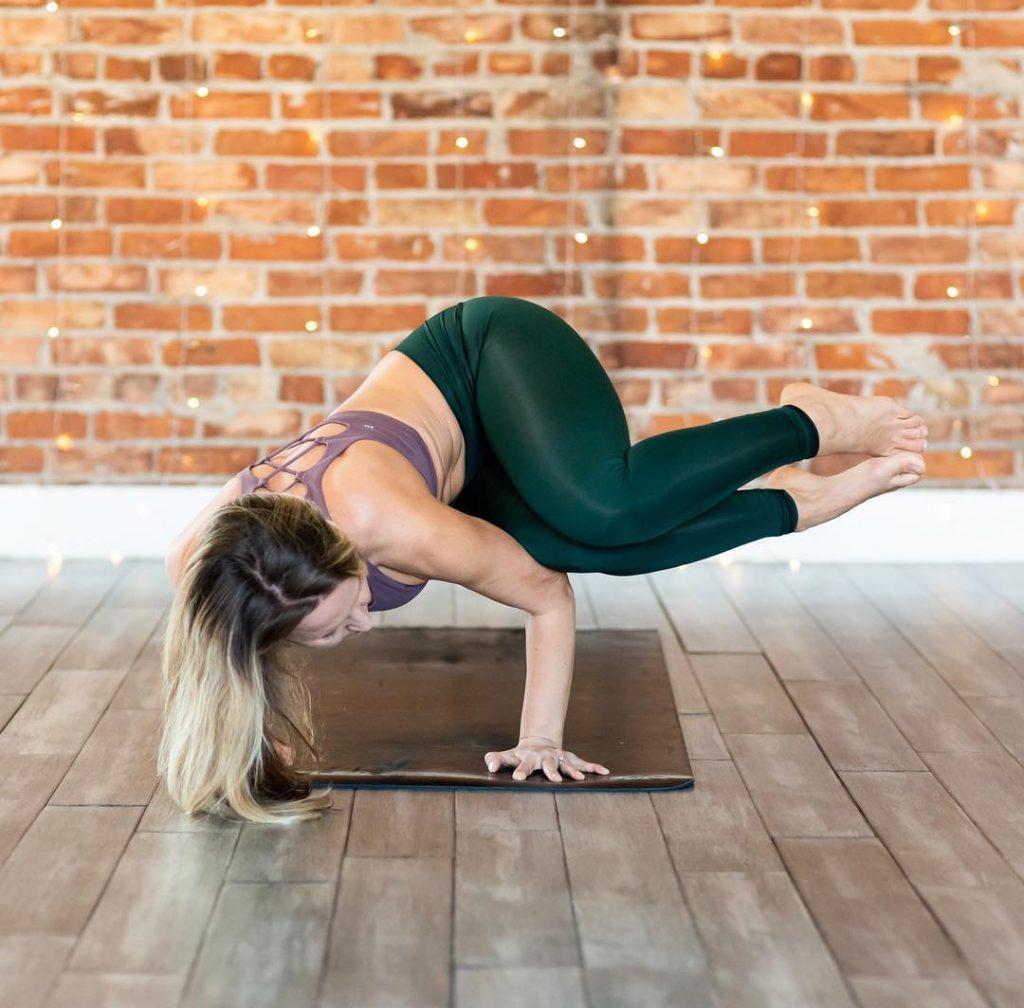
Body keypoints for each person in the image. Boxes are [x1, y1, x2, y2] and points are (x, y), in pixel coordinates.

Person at [160, 295, 928, 825]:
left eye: (351, 603)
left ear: (345, 551)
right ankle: (796, 504)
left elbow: (547, 598)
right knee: (588, 543)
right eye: (326, 632)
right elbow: (217, 667)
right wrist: (251, 746)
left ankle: (811, 421)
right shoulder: (212, 572)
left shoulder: (393, 525)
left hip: (492, 356)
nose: (361, 623)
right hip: (464, 468)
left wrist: (539, 740)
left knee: (605, 510)